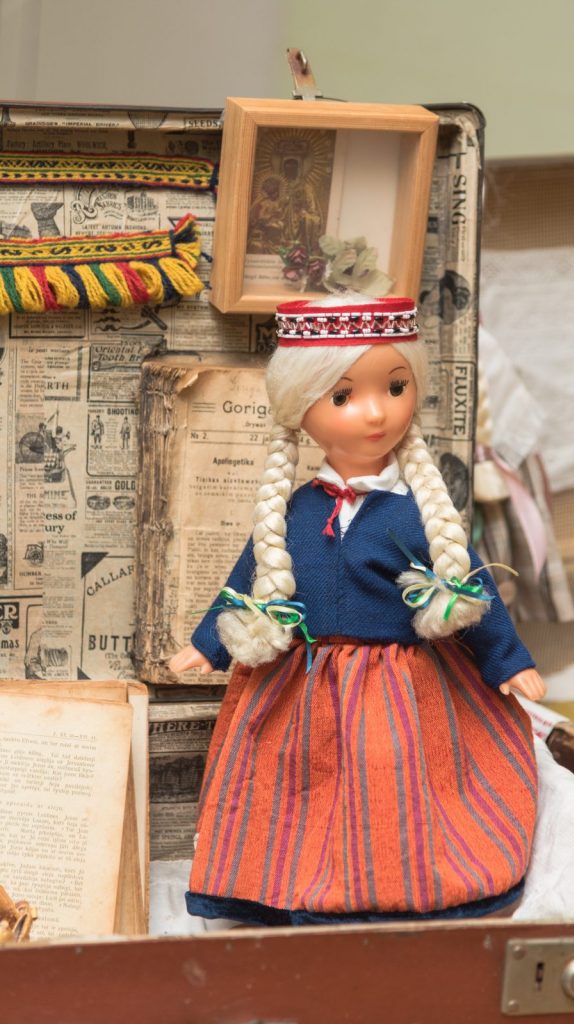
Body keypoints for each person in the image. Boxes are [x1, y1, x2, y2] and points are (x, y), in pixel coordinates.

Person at [169, 294, 545, 926]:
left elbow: (469, 587)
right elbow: (248, 579)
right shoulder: (294, 511)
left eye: (395, 387)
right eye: (343, 396)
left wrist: (508, 661)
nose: (376, 412)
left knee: (389, 784)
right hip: (301, 684)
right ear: (302, 410)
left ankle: (394, 887)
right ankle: (289, 886)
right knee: (292, 786)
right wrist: (208, 643)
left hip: (401, 689)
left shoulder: (417, 515)